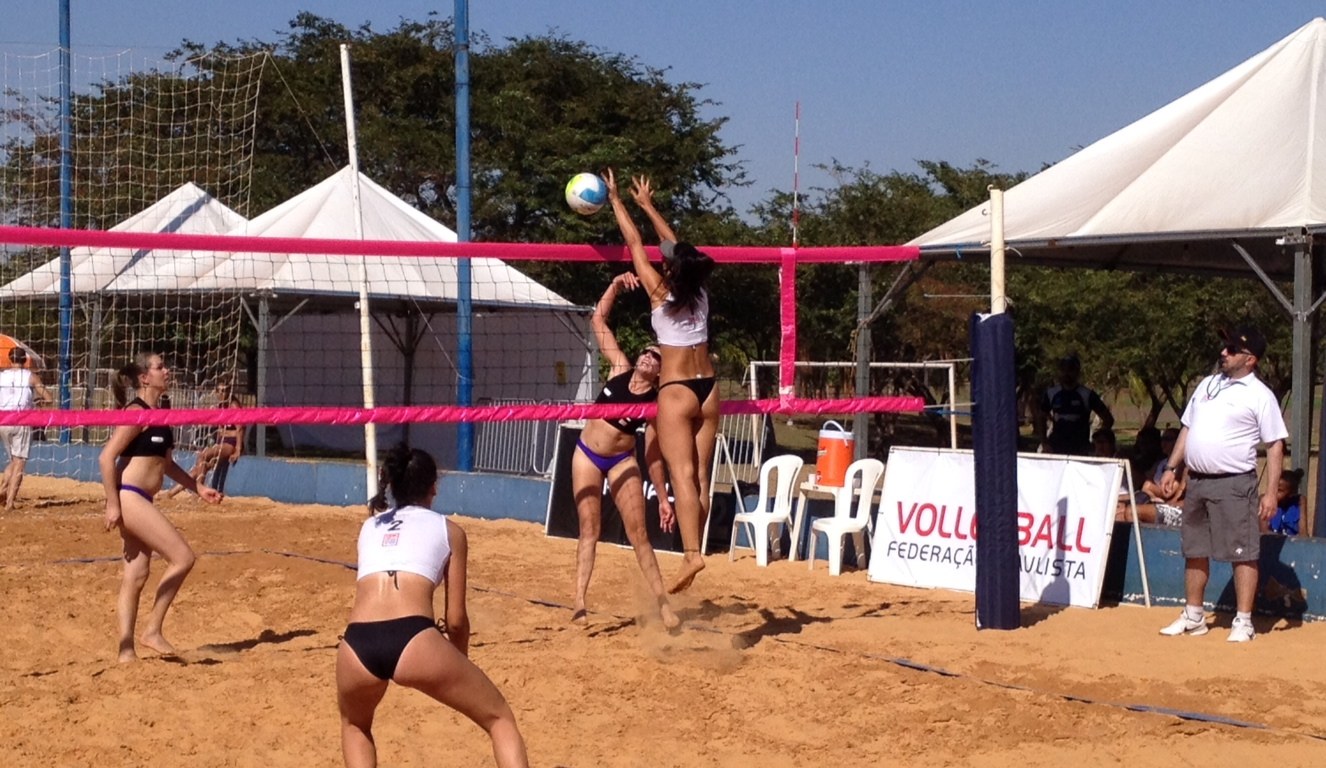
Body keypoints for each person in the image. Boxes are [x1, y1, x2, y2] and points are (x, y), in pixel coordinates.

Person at [336, 444, 528, 768]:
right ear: (433, 487)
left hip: (355, 644)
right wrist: (458, 660)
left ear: (392, 486)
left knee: (355, 725)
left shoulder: (370, 527)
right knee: (500, 719)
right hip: (413, 637)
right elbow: (455, 621)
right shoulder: (450, 530)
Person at [607, 168, 718, 594]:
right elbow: (676, 248)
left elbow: (637, 244)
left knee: (682, 477)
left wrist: (619, 201)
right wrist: (649, 204)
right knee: (702, 478)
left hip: (676, 393)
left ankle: (692, 555)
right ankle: (696, 544)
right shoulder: (701, 291)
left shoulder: (659, 292)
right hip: (709, 388)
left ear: (671, 268)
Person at [1158, 325, 1287, 643]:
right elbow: (1188, 428)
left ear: (1250, 359)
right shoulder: (1207, 384)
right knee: (1195, 549)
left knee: (1242, 551)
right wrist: (1172, 467)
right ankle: (1194, 615)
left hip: (1234, 484)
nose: (1224, 353)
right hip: (1198, 482)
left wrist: (1270, 492)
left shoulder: (1260, 395)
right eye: (1224, 347)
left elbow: (1274, 445)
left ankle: (1243, 621)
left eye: (1232, 350)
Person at [572, 271, 680, 628]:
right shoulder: (620, 367)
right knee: (590, 529)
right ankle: (579, 603)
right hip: (587, 453)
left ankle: (664, 604)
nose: (650, 355)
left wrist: (664, 499)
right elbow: (597, 319)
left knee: (640, 535)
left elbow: (653, 456)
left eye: (656, 355)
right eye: (647, 351)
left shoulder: (653, 404)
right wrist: (615, 287)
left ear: (661, 372)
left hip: (621, 459)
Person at [99, 352, 222, 662]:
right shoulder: (136, 412)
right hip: (130, 496)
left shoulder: (161, 414)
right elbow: (105, 457)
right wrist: (112, 504)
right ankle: (152, 630)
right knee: (183, 557)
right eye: (159, 367)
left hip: (141, 498)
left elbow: (166, 465)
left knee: (136, 574)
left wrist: (199, 488)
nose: (167, 371)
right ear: (144, 378)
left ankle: (125, 651)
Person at [0, 346, 52, 510]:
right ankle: (9, 503)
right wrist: (36, 404)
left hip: (3, 421)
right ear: (25, 360)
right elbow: (48, 398)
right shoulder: (31, 376)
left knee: (14, 461)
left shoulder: (1, 376)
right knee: (20, 462)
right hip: (21, 420)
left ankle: (2, 490)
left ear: (10, 360)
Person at [1035, 353, 1114, 456]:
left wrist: (1097, 439)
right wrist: (1044, 442)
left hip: (1080, 449)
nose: (1066, 373)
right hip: (1056, 448)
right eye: (1063, 370)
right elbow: (1041, 417)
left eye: (1070, 369)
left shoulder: (1087, 395)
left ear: (1077, 372)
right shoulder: (1051, 394)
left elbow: (1108, 419)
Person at [167, 394, 244, 498]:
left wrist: (238, 449)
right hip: (221, 442)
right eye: (220, 391)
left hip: (230, 443)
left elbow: (240, 428)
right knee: (199, 468)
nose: (222, 393)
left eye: (225, 390)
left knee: (203, 455)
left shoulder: (233, 406)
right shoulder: (221, 405)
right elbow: (221, 430)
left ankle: (198, 490)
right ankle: (173, 492)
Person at [1267, 468, 1303, 536]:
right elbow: (1263, 531)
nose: (1275, 492)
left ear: (1291, 494)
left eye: (1279, 490)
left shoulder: (1299, 502)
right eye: (1274, 488)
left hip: (1292, 544)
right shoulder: (1266, 502)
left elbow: (1303, 533)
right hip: (1271, 543)